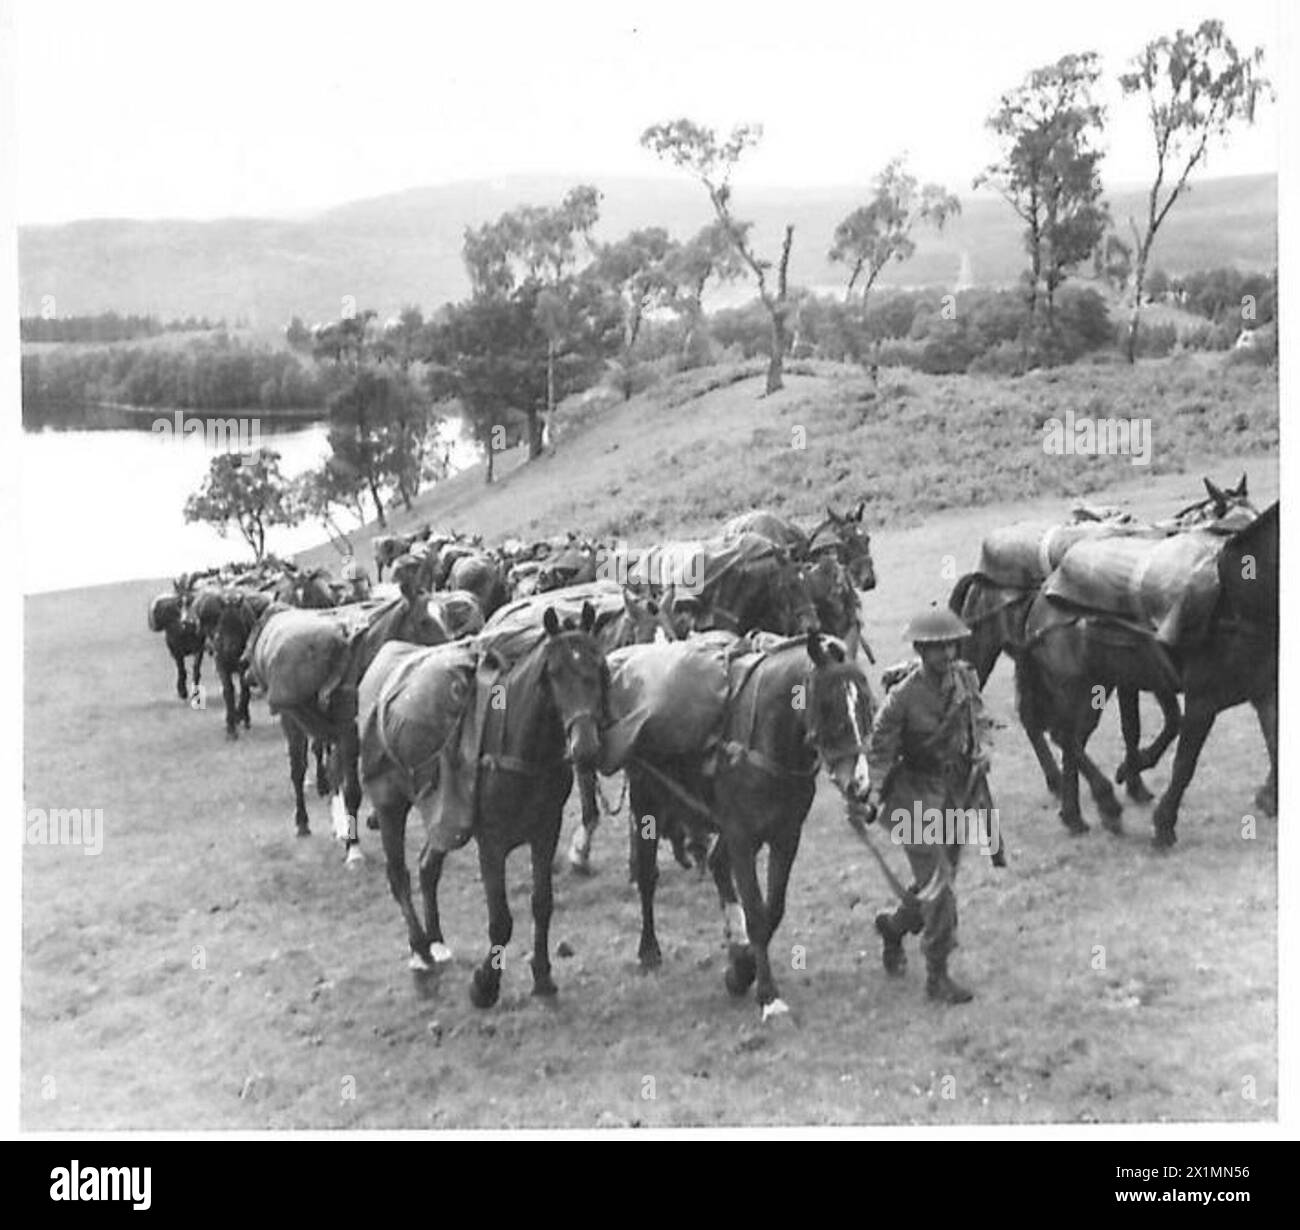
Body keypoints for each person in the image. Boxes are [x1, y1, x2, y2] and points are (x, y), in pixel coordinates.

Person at [862, 604, 994, 1004]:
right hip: (911, 799)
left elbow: (981, 720)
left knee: (939, 878)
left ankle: (894, 927)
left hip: (955, 790)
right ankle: (937, 975)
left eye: (951, 646)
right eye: (938, 649)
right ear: (920, 650)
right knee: (940, 890)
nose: (948, 655)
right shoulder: (902, 699)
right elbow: (880, 751)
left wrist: (984, 748)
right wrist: (871, 794)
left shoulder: (964, 679)